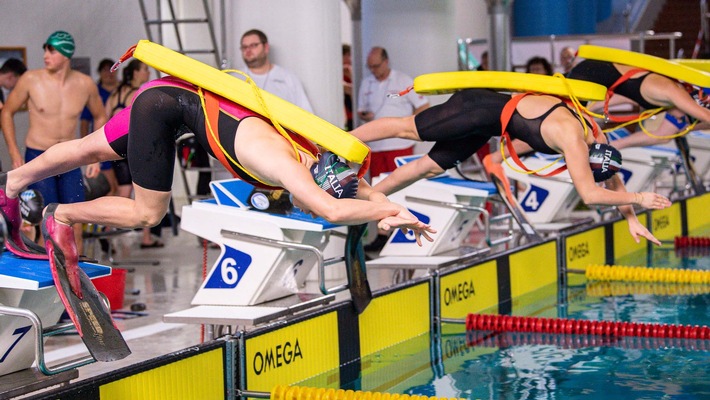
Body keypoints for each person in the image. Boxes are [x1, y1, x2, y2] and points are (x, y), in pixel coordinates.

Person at [0, 74, 435, 278]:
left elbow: (350, 189)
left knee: (83, 149)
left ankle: (12, 183)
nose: (302, 203)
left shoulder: (313, 152)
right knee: (148, 213)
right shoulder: (284, 164)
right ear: (315, 181)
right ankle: (62, 214)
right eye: (309, 196)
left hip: (169, 91)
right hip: (164, 111)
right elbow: (331, 207)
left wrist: (390, 211)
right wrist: (389, 211)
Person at [350, 88, 671, 245]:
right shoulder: (574, 140)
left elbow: (609, 178)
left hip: (488, 124)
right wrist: (639, 199)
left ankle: (364, 198)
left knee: (428, 167)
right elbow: (590, 193)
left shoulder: (594, 133)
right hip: (478, 107)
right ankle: (341, 141)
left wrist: (631, 219)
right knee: (409, 128)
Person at [0, 31, 107, 256]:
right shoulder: (31, 79)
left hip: (71, 158)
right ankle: (46, 273)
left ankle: (74, 275)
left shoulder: (85, 84)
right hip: (39, 155)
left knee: (75, 222)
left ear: (66, 54)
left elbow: (100, 116)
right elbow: (6, 112)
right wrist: (14, 152)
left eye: (51, 49)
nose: (45, 54)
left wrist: (97, 155)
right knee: (43, 221)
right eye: (45, 49)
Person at [356, 46, 430, 252]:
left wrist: (414, 125)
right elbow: (361, 108)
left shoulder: (403, 80)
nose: (374, 70)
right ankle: (383, 232)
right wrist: (365, 116)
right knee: (377, 188)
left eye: (377, 66)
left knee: (402, 185)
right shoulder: (367, 83)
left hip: (400, 144)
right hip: (376, 145)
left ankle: (407, 226)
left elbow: (424, 105)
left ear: (386, 62)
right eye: (370, 67)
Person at [566, 59, 710, 149]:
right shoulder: (670, 91)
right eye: (684, 119)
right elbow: (705, 116)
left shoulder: (667, 101)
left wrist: (611, 147)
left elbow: (662, 135)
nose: (681, 121)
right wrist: (585, 110)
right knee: (571, 126)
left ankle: (604, 147)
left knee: (665, 137)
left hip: (594, 75)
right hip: (587, 73)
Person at [105, 59, 161, 249]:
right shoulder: (138, 95)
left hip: (113, 148)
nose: (148, 74)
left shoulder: (115, 94)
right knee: (142, 194)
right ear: (136, 73)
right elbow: (143, 126)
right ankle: (145, 237)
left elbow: (105, 123)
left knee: (122, 191)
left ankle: (105, 231)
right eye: (145, 70)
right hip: (133, 150)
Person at [237, 29, 314, 113]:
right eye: (244, 47)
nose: (248, 50)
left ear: (266, 48)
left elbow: (306, 115)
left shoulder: (287, 78)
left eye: (253, 45)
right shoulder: (234, 78)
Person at [342, 44, 354, 131]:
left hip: (351, 116)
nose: (351, 59)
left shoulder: (350, 72)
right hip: (344, 117)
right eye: (349, 55)